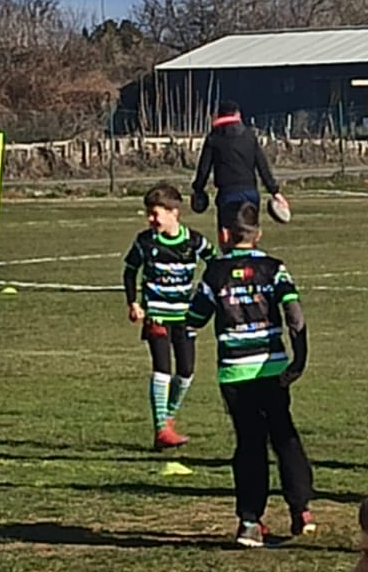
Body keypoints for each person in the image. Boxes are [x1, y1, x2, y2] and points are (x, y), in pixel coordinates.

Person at [183, 201, 313, 547]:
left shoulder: (215, 272)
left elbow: (195, 319)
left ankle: (250, 522)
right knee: (283, 433)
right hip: (272, 367)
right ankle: (301, 509)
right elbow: (294, 315)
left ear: (224, 234)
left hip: (235, 373)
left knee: (250, 442)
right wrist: (299, 359)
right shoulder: (274, 268)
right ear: (259, 234)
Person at [122, 183, 212, 450]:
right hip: (157, 316)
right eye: (148, 214)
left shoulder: (194, 241)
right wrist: (133, 303)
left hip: (185, 317)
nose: (151, 219)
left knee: (186, 372)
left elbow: (216, 265)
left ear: (174, 212)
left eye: (155, 213)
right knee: (162, 369)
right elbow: (129, 271)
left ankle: (168, 417)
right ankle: (161, 428)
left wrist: (205, 297)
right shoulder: (145, 241)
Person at [190, 107, 288, 224]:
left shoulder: (213, 138)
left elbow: (204, 169)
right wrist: (274, 191)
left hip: (227, 193)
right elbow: (262, 166)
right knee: (249, 231)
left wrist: (198, 189)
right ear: (237, 115)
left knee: (227, 231)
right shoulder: (249, 136)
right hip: (250, 192)